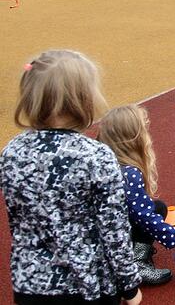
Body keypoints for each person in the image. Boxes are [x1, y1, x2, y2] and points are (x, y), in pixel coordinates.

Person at [1, 50, 142, 304]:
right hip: (87, 284)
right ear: (83, 99)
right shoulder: (96, 156)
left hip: (30, 284)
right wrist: (130, 285)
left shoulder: (10, 152)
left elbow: (18, 218)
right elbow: (114, 230)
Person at [98, 105, 175, 285]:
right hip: (111, 237)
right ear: (133, 139)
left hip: (97, 233)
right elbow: (143, 216)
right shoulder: (129, 173)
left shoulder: (99, 164)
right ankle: (137, 265)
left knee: (155, 206)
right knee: (153, 211)